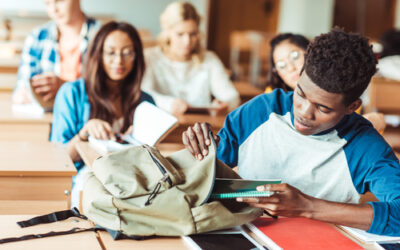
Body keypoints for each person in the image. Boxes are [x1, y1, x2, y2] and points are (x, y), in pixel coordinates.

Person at [182, 28, 400, 236]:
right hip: (240, 236)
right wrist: (198, 150)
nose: (304, 113)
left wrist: (307, 207)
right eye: (301, 94)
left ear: (352, 106)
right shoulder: (261, 112)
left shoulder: (364, 146)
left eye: (323, 108)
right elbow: (199, 179)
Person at [50, 21, 154, 207]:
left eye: (127, 52)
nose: (119, 61)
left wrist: (137, 144)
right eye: (111, 52)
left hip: (132, 186)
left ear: (137, 56)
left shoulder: (145, 101)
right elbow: (59, 160)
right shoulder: (72, 93)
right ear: (98, 54)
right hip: (87, 185)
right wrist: (84, 133)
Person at [266, 33, 386, 133]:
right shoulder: (271, 99)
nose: (290, 67)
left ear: (310, 51)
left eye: (295, 56)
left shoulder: (340, 89)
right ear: (277, 73)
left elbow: (377, 120)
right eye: (281, 65)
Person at [141, 1, 240, 115]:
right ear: (167, 32)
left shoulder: (209, 59)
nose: (187, 41)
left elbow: (232, 96)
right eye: (180, 34)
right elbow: (144, 93)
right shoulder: (149, 57)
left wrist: (226, 104)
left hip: (199, 125)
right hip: (161, 121)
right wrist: (169, 104)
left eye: (193, 34)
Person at [12, 0, 100, 110]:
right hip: (48, 120)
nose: (54, 9)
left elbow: (107, 94)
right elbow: (21, 92)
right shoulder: (37, 37)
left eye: (60, 1)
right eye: (47, 3)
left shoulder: (101, 37)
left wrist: (64, 87)